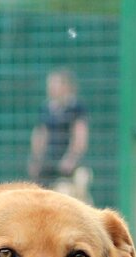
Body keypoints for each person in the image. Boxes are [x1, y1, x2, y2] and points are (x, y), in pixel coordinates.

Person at [28, 69, 91, 202]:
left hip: (70, 167)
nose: (50, 87)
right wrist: (36, 158)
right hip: (49, 162)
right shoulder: (46, 108)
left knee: (69, 192)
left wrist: (71, 158)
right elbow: (40, 134)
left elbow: (80, 137)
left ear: (66, 86)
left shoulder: (76, 108)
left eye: (54, 83)